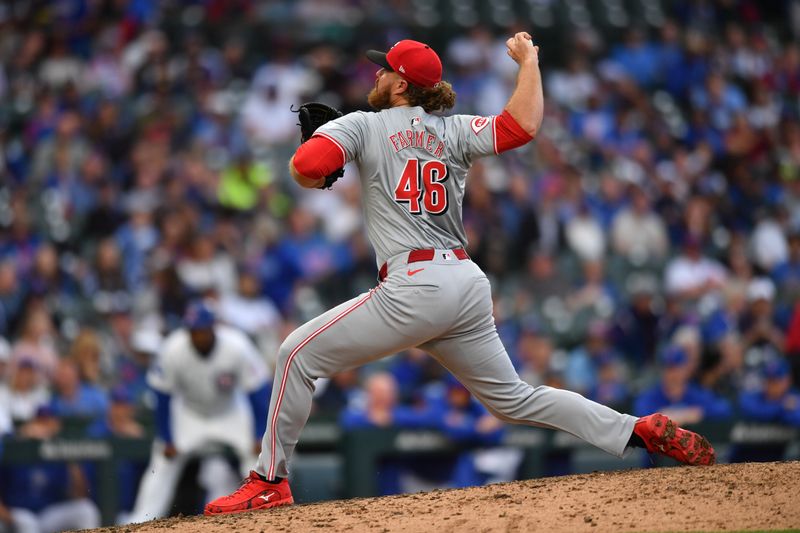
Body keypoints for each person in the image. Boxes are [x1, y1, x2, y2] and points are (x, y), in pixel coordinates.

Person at [206, 34, 717, 516]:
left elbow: (306, 165)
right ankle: (638, 429)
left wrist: (323, 142)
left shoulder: (362, 123)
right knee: (515, 398)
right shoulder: (453, 130)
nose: (377, 73)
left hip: (414, 285)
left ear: (400, 83)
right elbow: (523, 126)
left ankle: (269, 483)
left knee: (295, 352)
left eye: (384, 68)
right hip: (465, 283)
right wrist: (530, 62)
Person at [126, 301, 270, 523]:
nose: (198, 335)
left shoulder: (236, 345)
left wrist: (259, 433)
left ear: (213, 327)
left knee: (258, 456)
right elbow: (162, 395)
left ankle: (266, 515)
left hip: (229, 412)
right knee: (163, 461)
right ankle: (141, 520)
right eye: (194, 330)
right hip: (189, 414)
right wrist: (167, 437)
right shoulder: (173, 348)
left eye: (202, 329)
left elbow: (258, 390)